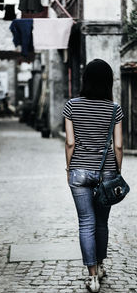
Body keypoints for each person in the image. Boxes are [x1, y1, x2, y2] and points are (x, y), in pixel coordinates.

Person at [63, 59, 124, 293]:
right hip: (106, 171)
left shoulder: (72, 106)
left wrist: (69, 168)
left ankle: (92, 278)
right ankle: (99, 266)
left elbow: (70, 142)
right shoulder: (114, 108)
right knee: (101, 222)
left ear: (85, 79)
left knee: (85, 223)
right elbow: (118, 146)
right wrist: (117, 171)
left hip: (78, 170)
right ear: (108, 82)